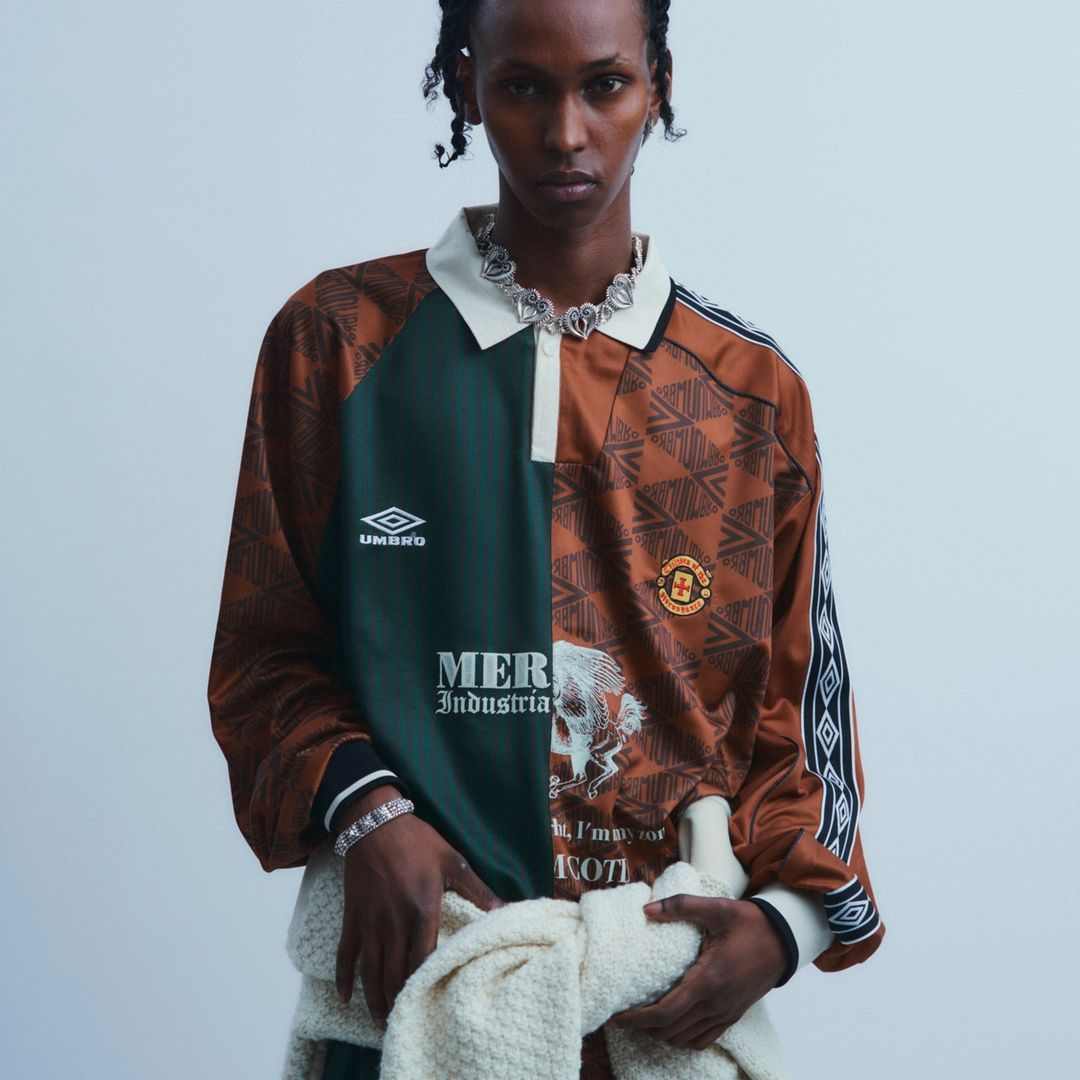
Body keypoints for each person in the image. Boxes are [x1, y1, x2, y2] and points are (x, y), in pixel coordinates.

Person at [206, 2, 886, 1077]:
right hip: (414, 992)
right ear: (467, 84)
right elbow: (265, 655)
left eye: (604, 84)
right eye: (524, 86)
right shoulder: (337, 344)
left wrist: (783, 928)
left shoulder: (750, 393)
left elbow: (797, 720)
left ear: (658, 82)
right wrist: (367, 811)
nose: (566, 133)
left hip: (657, 1002)